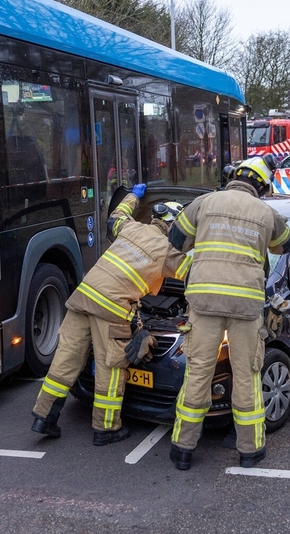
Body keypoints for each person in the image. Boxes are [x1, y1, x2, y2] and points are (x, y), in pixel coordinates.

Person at [31, 186, 191, 445]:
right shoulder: (168, 251)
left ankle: (43, 416)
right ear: (174, 226)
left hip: (83, 297)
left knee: (66, 359)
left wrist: (133, 196)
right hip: (112, 308)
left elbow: (116, 216)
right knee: (111, 366)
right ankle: (106, 429)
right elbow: (196, 273)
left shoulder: (131, 228)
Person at [166, 155, 290, 471]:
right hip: (245, 307)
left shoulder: (204, 203)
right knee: (247, 375)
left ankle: (183, 449)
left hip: (205, 301)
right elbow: (284, 246)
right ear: (261, 186)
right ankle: (250, 451)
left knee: (198, 373)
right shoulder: (266, 212)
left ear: (234, 176)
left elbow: (176, 240)